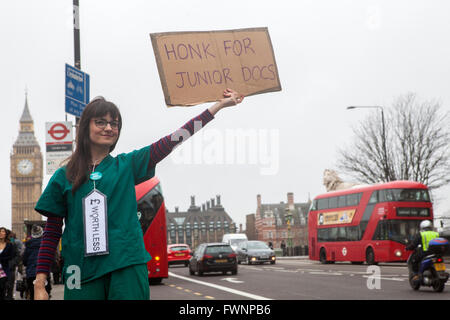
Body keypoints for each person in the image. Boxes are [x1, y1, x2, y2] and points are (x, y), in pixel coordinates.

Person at [33, 88, 244, 300]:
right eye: (101, 122)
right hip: (78, 271)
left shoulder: (127, 165)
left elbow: (176, 138)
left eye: (114, 124)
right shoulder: (63, 176)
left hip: (126, 265)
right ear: (85, 127)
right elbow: (51, 232)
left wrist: (218, 107)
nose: (109, 128)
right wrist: (39, 282)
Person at [23, 225, 51, 300]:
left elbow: (24, 261)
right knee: (45, 293)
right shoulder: (45, 243)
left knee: (33, 294)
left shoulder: (28, 245)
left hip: (31, 273)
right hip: (43, 272)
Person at [0, 227, 13, 300]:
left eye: (2, 231)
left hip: (3, 271)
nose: (1, 233)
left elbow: (11, 256)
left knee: (2, 289)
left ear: (5, 234)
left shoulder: (9, 245)